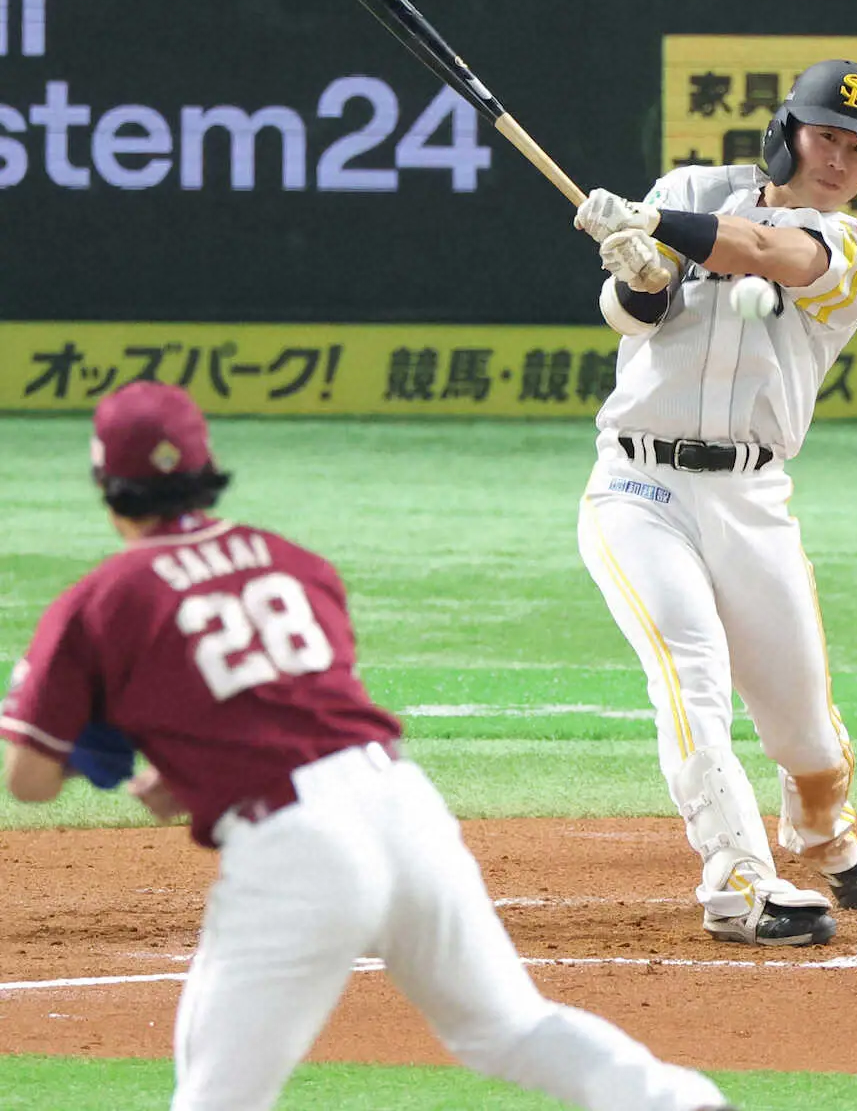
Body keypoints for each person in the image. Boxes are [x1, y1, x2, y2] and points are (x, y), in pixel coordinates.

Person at [0, 381, 737, 1111]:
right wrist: (184, 765)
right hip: (403, 807)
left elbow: (28, 780)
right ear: (204, 467)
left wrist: (82, 724)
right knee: (507, 1028)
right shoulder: (293, 562)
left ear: (106, 483)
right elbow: (291, 707)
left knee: (217, 1097)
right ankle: (680, 1102)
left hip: (297, 849)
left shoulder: (102, 599)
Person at [570, 58, 857, 950]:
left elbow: (764, 252)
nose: (839, 159)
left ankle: (823, 838)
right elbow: (632, 316)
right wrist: (638, 270)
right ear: (786, 129)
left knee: (809, 742)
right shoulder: (689, 186)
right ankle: (741, 880)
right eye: (827, 134)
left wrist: (652, 223)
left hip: (752, 498)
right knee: (690, 671)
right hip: (639, 485)